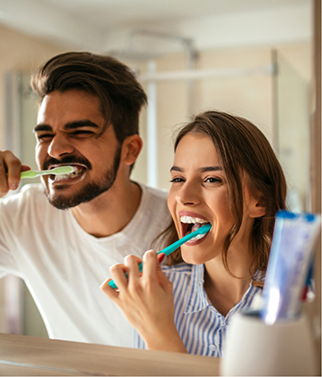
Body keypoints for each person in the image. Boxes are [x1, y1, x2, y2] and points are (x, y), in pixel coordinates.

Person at [0, 52, 170, 348]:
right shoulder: (23, 215)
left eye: (80, 131)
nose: (55, 150)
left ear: (130, 150)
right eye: (45, 135)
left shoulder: (180, 225)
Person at [101, 111, 287, 356]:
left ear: (259, 200)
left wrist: (160, 334)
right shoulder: (153, 296)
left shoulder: (298, 299)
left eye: (211, 179)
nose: (183, 196)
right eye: (178, 178)